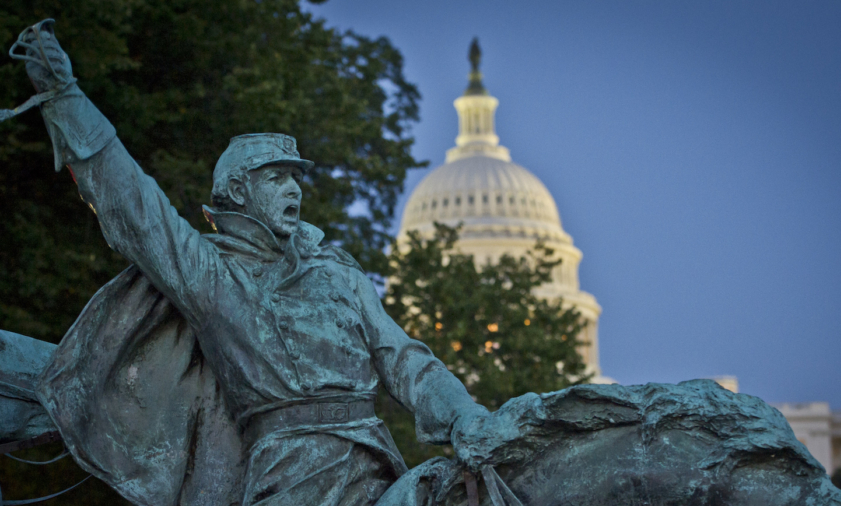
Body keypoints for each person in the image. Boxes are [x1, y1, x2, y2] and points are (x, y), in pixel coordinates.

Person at [14, 20, 491, 506]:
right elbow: (137, 209)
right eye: (277, 177)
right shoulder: (212, 274)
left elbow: (407, 360)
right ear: (240, 190)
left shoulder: (338, 272)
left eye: (297, 178)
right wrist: (64, 97)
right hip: (288, 480)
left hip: (379, 471)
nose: (295, 189)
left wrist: (464, 415)